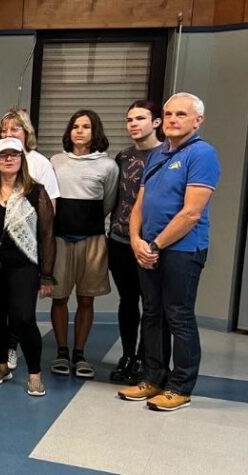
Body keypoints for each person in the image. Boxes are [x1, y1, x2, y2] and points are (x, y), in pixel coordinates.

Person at [119, 92, 220, 412]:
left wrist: (155, 244)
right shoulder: (158, 154)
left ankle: (180, 386)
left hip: (182, 250)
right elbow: (140, 203)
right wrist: (135, 238)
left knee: (178, 316)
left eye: (181, 114)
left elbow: (191, 213)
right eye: (169, 114)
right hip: (147, 248)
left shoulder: (202, 154)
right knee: (152, 313)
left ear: (197, 120)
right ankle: (153, 378)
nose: (174, 120)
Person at [0, 138, 56, 396]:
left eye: (14, 155)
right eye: (3, 155)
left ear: (21, 159)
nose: (8, 159)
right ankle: (2, 366)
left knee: (23, 318)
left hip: (23, 266)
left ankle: (34, 374)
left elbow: (47, 234)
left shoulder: (35, 192)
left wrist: (47, 275)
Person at [0, 107, 61, 370]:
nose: (9, 133)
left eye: (15, 129)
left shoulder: (40, 166)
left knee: (21, 313)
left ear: (27, 133)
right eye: (4, 130)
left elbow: (48, 217)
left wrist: (45, 272)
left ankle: (14, 350)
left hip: (25, 254)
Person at [49, 109, 118, 378]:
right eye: (75, 126)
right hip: (59, 239)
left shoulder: (108, 166)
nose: (79, 131)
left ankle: (80, 353)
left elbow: (109, 201)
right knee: (59, 297)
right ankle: (62, 352)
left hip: (92, 240)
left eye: (86, 126)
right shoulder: (55, 161)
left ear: (95, 131)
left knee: (86, 298)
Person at [108, 100, 164, 385]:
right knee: (128, 301)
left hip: (152, 243)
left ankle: (146, 360)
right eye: (130, 119)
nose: (133, 124)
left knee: (152, 304)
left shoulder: (168, 156)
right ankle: (128, 356)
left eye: (140, 118)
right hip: (119, 240)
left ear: (156, 122)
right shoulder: (123, 157)